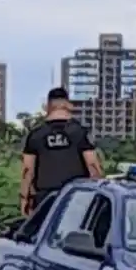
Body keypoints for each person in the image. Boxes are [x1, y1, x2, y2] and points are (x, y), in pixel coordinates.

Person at [20, 87, 103, 216]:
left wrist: (24, 197)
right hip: (76, 197)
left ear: (47, 106)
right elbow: (92, 165)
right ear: (68, 105)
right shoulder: (80, 132)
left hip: (45, 198)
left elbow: (27, 170)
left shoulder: (35, 135)